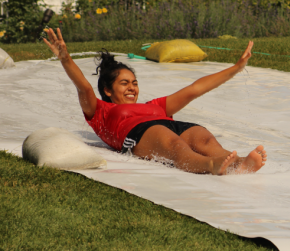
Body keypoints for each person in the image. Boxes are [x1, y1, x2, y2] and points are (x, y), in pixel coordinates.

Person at [43, 28, 267, 175]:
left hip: (166, 124)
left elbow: (194, 89)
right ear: (107, 90)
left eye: (134, 82)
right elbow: (83, 86)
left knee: (205, 139)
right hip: (138, 133)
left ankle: (239, 164)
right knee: (176, 145)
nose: (132, 87)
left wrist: (236, 68)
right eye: (124, 83)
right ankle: (211, 166)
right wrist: (66, 58)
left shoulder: (155, 105)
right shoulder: (100, 110)